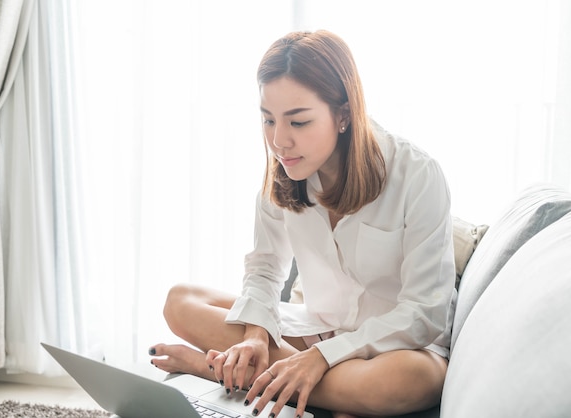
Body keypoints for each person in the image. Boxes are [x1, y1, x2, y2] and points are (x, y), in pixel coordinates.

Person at [149, 30, 456, 418]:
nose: (279, 141)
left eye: (298, 122)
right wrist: (256, 335)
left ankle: (217, 370)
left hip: (396, 349)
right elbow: (263, 268)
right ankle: (317, 388)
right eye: (268, 120)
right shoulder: (284, 171)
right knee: (181, 301)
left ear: (344, 114)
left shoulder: (417, 175)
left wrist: (322, 357)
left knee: (403, 381)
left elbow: (424, 313)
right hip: (315, 327)